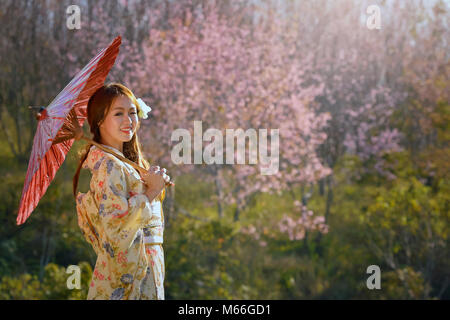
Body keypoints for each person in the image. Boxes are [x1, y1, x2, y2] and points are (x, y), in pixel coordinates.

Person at [73, 83, 170, 300]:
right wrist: (151, 192)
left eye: (132, 112)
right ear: (99, 120)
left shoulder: (122, 164)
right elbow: (115, 229)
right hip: (126, 279)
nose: (129, 121)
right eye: (118, 114)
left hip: (148, 270)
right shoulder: (108, 165)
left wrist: (150, 183)